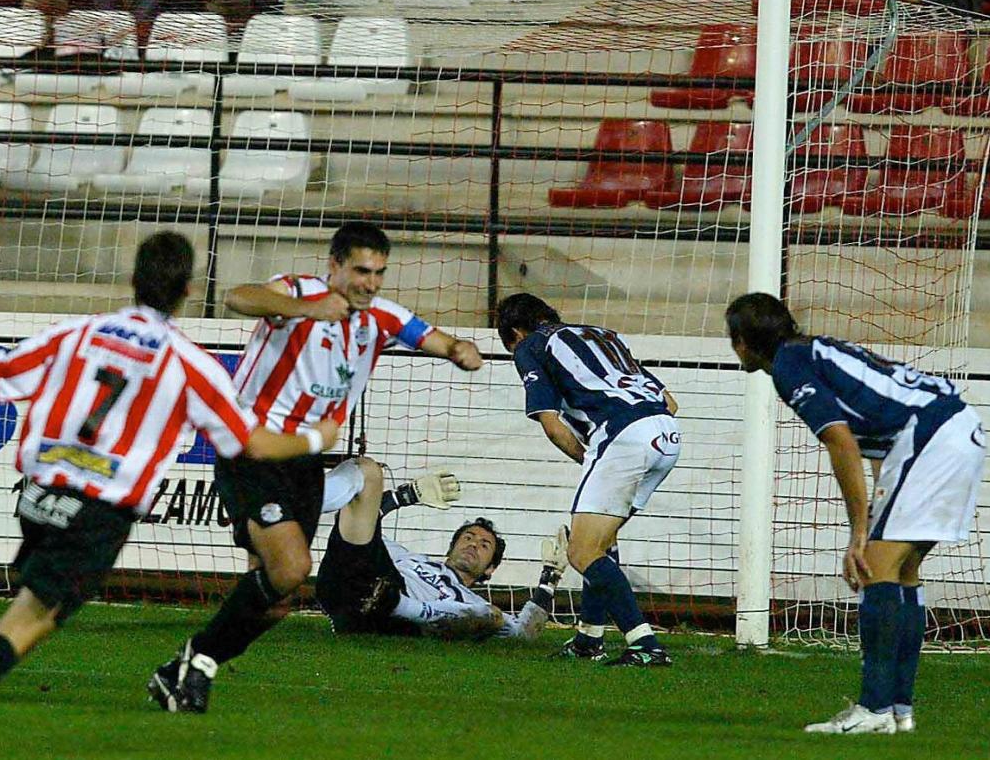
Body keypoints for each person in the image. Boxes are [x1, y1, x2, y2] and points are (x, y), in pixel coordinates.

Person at [0, 232, 337, 760]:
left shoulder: (79, 331)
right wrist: (318, 437)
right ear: (186, 290)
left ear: (133, 279)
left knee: (32, 610)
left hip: (39, 495)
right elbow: (251, 441)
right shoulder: (189, 362)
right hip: (96, 510)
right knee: (32, 622)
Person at [147, 221, 484, 713]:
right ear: (334, 266)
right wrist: (304, 310)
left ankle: (188, 667)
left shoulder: (381, 318)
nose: (369, 283)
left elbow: (431, 337)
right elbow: (239, 297)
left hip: (304, 460)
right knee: (293, 567)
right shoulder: (299, 291)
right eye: (361, 271)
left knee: (277, 599)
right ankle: (194, 664)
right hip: (252, 447)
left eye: (379, 274)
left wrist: (459, 351)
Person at [725, 292, 986, 735]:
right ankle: (899, 709)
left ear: (742, 342)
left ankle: (874, 707)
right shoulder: (814, 350)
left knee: (873, 567)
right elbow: (880, 440)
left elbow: (841, 442)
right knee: (901, 571)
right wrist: (877, 513)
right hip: (951, 430)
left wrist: (857, 533)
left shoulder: (790, 367)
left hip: (933, 435)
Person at [496, 293, 681, 667]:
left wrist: (591, 457)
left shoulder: (530, 346)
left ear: (515, 332)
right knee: (602, 541)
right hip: (667, 435)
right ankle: (588, 639)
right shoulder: (603, 335)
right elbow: (670, 402)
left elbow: (551, 423)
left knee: (581, 551)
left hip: (624, 438)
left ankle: (644, 642)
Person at [315, 456, 568, 640]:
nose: (473, 544)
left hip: (390, 618)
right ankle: (306, 503)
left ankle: (398, 606)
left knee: (491, 616)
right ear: (450, 548)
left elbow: (524, 633)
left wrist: (550, 579)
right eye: (468, 537)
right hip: (356, 584)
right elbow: (360, 526)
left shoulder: (469, 602)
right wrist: (406, 496)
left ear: (490, 569)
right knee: (368, 471)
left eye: (484, 545)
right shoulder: (408, 558)